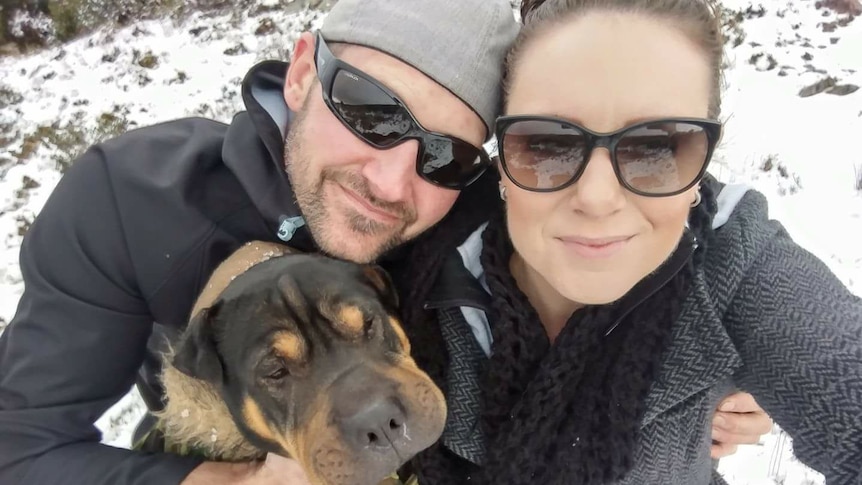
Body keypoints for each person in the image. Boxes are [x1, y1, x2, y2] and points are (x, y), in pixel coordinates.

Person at [0, 1, 770, 484]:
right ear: (303, 70)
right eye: (371, 109)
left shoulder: (478, 216)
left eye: (446, 153)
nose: (393, 181)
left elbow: (634, 221)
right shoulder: (131, 200)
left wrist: (711, 371)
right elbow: (19, 448)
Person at [395, 0, 862, 484]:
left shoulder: (733, 263)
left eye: (656, 146)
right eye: (548, 143)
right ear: (501, 155)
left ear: (703, 163)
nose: (597, 198)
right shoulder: (422, 253)